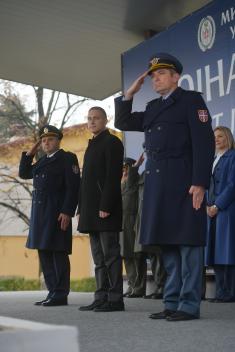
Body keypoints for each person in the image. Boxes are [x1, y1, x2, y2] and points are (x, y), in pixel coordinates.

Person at [115, 53, 215, 321]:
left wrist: (200, 183)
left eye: (161, 73)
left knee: (189, 246)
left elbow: (204, 144)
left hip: (185, 184)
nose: (155, 79)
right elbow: (123, 122)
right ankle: (171, 302)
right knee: (168, 246)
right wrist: (129, 94)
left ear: (175, 77)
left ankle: (189, 305)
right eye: (152, 75)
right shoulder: (152, 107)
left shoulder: (191, 101)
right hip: (158, 186)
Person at [19, 125, 80, 306]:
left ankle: (61, 294)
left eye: (50, 139)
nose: (46, 143)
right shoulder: (42, 161)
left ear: (58, 140)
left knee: (58, 251)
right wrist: (30, 153)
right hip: (40, 213)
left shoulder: (67, 158)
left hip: (57, 212)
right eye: (43, 140)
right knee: (44, 251)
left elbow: (73, 187)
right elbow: (24, 173)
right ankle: (52, 291)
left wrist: (67, 211)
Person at [78, 106, 124, 312]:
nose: (92, 121)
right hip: (90, 211)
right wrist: (82, 207)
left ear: (106, 120)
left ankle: (115, 299)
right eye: (89, 118)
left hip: (106, 210)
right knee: (98, 258)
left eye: (96, 118)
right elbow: (86, 182)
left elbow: (112, 177)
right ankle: (101, 296)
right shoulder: (92, 145)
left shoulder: (112, 142)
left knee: (111, 255)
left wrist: (106, 206)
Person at [205, 126, 235, 303]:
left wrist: (217, 205)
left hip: (227, 209)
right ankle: (221, 292)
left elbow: (232, 185)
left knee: (227, 251)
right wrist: (208, 205)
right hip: (211, 210)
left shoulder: (232, 157)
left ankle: (229, 292)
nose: (217, 139)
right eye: (215, 136)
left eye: (220, 136)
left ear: (228, 138)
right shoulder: (213, 158)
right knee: (216, 251)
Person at [121, 155, 144, 298]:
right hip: (121, 223)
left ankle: (139, 287)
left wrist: (134, 168)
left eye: (126, 169)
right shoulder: (120, 182)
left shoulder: (133, 181)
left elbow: (131, 181)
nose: (124, 172)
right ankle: (131, 285)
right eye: (122, 169)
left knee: (136, 255)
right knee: (126, 255)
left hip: (133, 221)